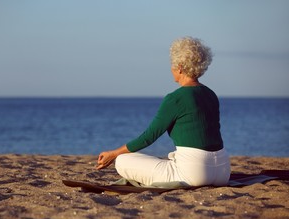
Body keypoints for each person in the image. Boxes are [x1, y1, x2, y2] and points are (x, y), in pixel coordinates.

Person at [96, 36, 230, 187]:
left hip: (194, 174)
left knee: (122, 160)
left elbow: (149, 137)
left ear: (179, 67)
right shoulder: (211, 94)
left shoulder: (175, 98)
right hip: (223, 172)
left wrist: (114, 153)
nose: (171, 69)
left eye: (172, 65)